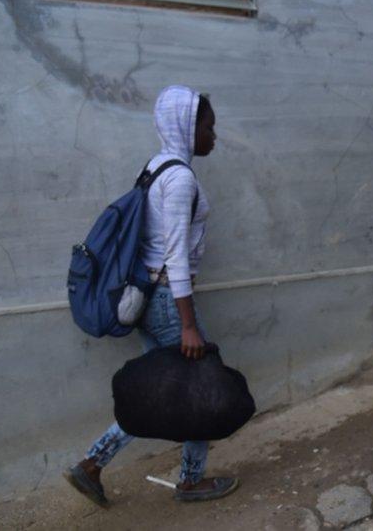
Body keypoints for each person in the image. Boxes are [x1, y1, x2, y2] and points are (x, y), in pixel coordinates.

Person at [64, 85, 238, 505]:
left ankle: (92, 464)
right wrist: (189, 324)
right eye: (208, 126)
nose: (214, 135)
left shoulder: (155, 168)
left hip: (149, 296)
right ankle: (190, 481)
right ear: (186, 126)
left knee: (165, 389)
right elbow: (176, 256)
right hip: (166, 302)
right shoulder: (178, 179)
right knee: (198, 389)